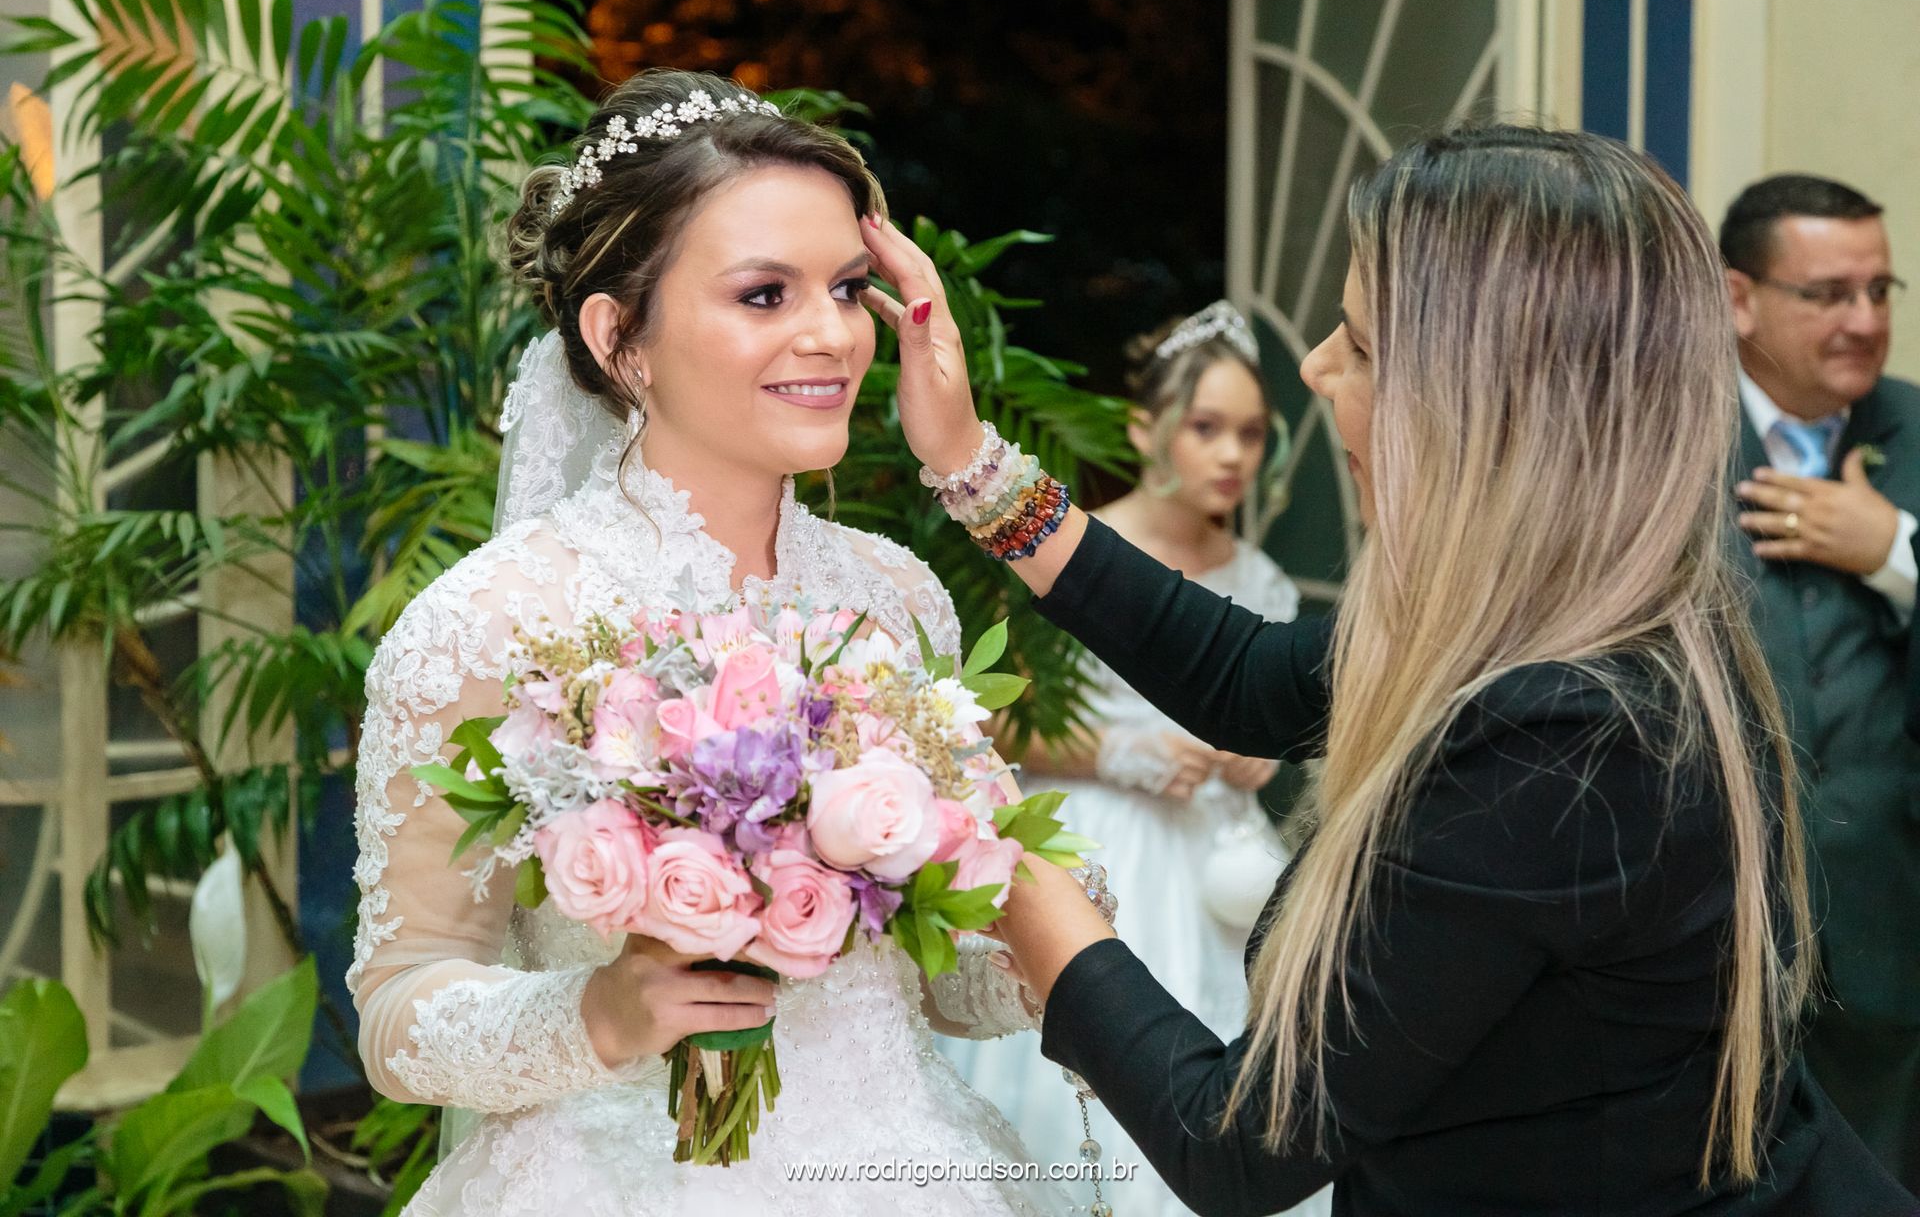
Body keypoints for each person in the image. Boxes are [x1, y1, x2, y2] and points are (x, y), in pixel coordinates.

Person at [861, 125, 1916, 1215]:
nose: (1316, 367)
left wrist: (1022, 876)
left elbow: (1238, 1140)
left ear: (1484, 408)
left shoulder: (1562, 742)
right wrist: (971, 463)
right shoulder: (1552, 613)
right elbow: (1249, 675)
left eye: (1360, 346)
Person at [348, 70, 1063, 1215]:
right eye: (765, 293)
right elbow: (397, 1009)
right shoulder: (488, 624)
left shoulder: (896, 599)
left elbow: (933, 979)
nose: (832, 334)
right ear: (618, 337)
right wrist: (597, 1012)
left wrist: (1043, 955)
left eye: (848, 287)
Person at [937, 303, 1328, 1217]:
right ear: (1146, 429)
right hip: (1101, 839)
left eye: (1251, 434)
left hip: (1219, 859)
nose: (1231, 455)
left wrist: (1262, 755)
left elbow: (1268, 699)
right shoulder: (1072, 558)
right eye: (1206, 427)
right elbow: (986, 720)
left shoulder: (1263, 577)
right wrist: (1121, 752)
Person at [1719, 173, 1920, 1190]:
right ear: (1738, 299)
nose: (1865, 320)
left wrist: (1897, 552)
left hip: (1892, 928)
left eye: (1880, 290)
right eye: (1829, 293)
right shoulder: (1659, 432)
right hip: (1713, 928)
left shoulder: (1916, 428)